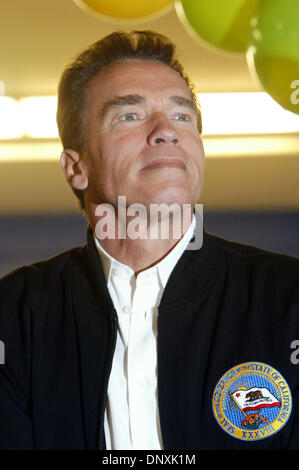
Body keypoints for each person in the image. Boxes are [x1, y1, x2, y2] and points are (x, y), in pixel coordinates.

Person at [0, 30, 298, 451]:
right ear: (75, 167)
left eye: (182, 117)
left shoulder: (288, 299)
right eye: (130, 116)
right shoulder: (14, 317)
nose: (166, 132)